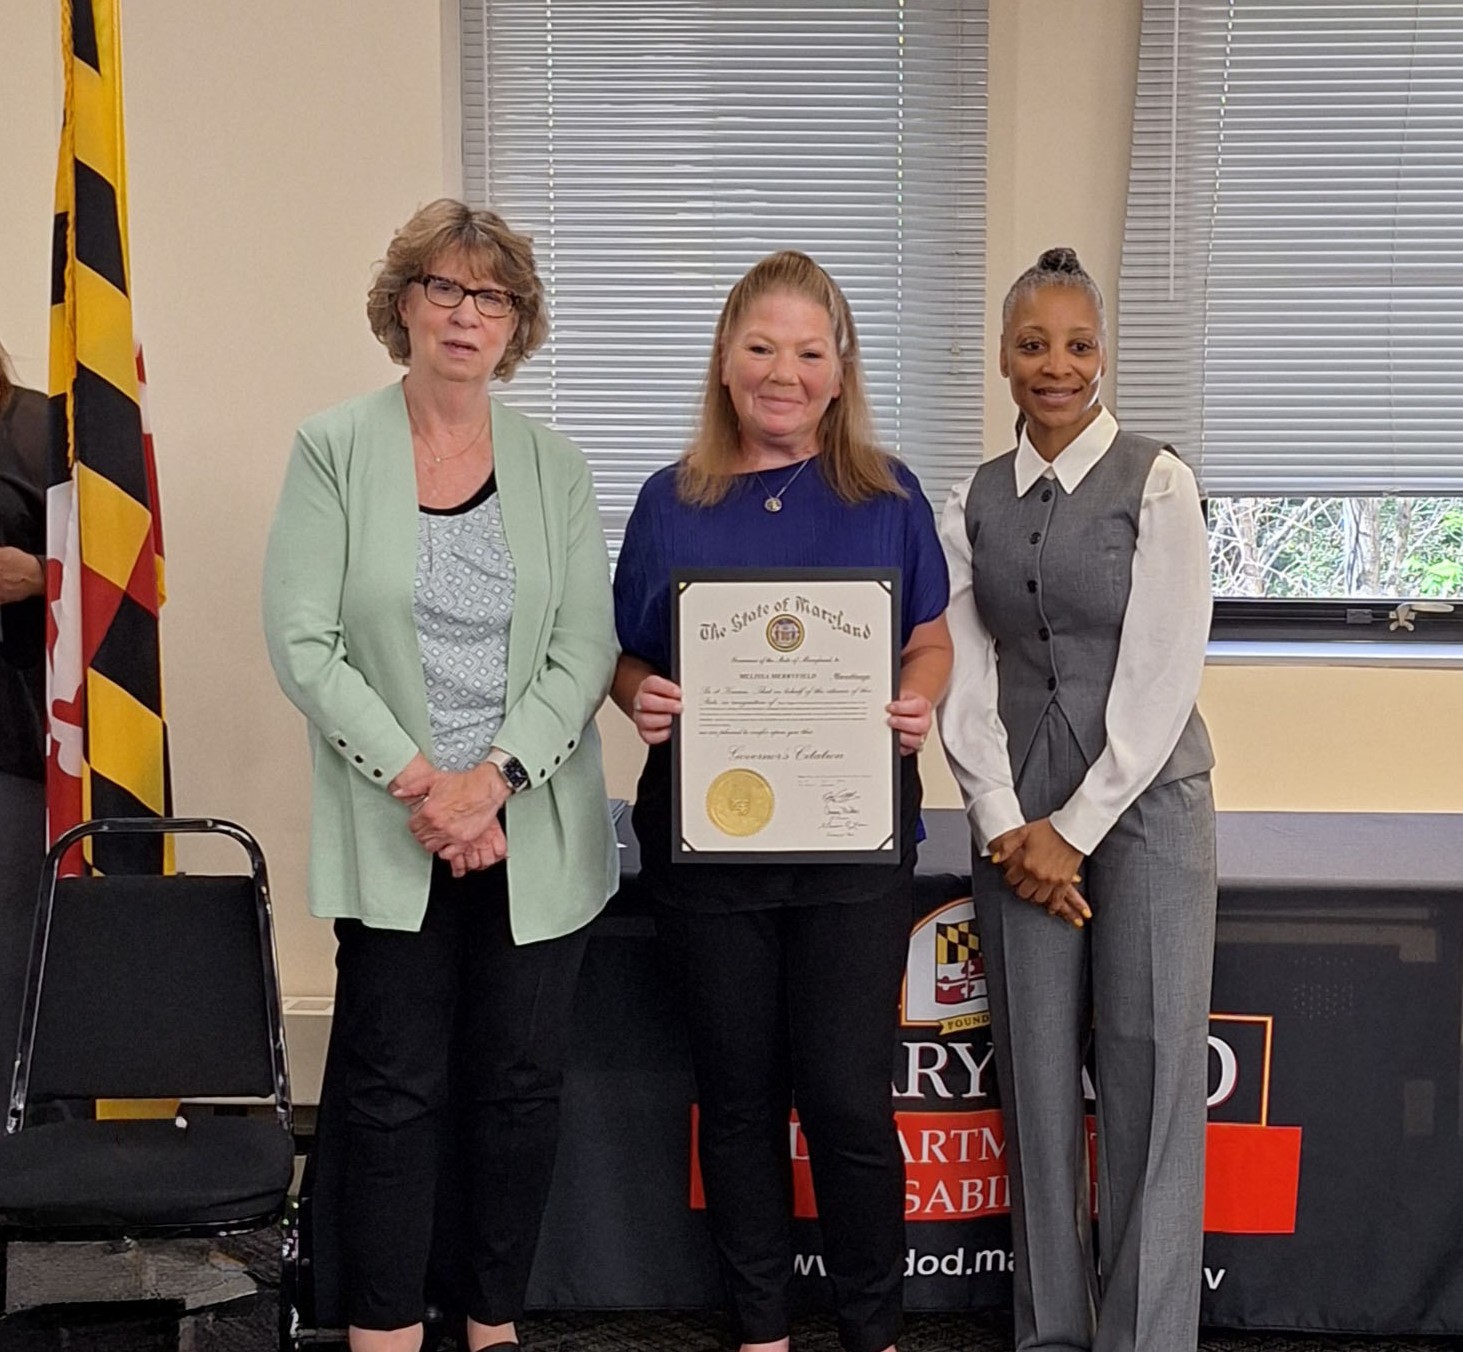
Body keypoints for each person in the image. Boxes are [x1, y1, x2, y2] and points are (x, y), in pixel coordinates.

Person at [262, 199, 619, 1352]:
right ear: (403, 304)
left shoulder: (554, 466)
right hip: (398, 823)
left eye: (493, 296)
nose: (468, 313)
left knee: (517, 1092)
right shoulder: (333, 448)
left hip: (532, 827)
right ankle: (382, 1329)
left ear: (516, 323)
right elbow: (304, 641)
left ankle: (488, 1320)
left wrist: (493, 779)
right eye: (444, 287)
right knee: (390, 1090)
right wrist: (432, 786)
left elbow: (585, 648)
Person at [612, 251, 952, 1352]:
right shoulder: (668, 501)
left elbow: (929, 637)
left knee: (848, 1101)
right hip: (708, 851)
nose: (783, 372)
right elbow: (625, 653)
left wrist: (918, 696)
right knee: (738, 1099)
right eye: (760, 346)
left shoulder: (888, 495)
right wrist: (638, 695)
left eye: (809, 351)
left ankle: (872, 1332)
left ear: (839, 371)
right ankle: (760, 1329)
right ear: (724, 360)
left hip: (852, 846)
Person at [938, 247, 1216, 1352]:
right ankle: (1049, 1332)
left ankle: (1144, 1339)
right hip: (1017, 817)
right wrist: (1005, 822)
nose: (1055, 365)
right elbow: (962, 671)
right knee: (1037, 1086)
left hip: (1146, 808)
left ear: (1103, 354)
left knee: (1150, 1078)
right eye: (1032, 344)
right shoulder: (967, 500)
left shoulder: (1158, 481)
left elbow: (1160, 672)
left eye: (1077, 343)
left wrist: (1073, 830)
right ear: (1003, 358)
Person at [0, 345, 49, 1077]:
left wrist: (42, 574)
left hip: (14, 739)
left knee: (15, 962)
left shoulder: (44, 428)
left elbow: (121, 572)